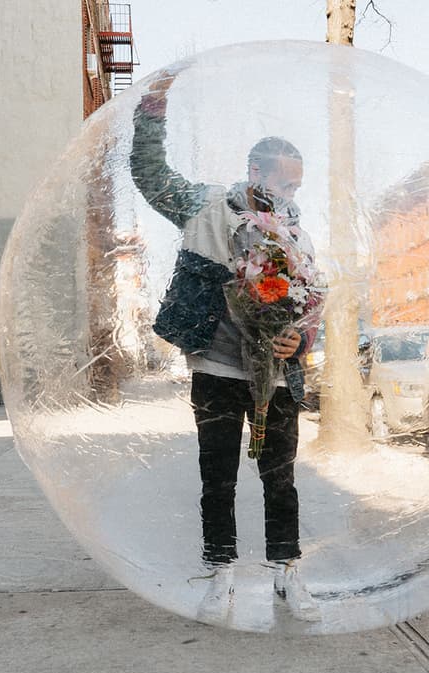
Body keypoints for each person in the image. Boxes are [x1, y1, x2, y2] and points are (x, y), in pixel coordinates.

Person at [130, 67, 322, 623]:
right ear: (254, 171)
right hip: (216, 367)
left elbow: (314, 304)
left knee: (280, 478)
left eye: (296, 187)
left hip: (278, 379)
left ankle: (287, 572)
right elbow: (148, 175)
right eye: (284, 183)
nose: (289, 195)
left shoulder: (298, 234)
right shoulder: (206, 206)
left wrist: (299, 336)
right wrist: (154, 109)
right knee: (217, 477)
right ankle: (221, 574)